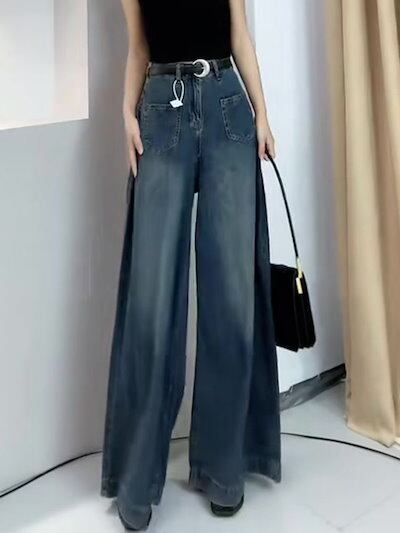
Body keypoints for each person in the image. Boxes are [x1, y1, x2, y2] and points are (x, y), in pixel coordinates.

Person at [100, 0, 281, 530]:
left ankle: (224, 469)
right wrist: (125, 114)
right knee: (151, 307)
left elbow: (239, 35)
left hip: (228, 106)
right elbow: (139, 46)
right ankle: (137, 482)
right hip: (161, 109)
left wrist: (262, 114)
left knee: (232, 301)